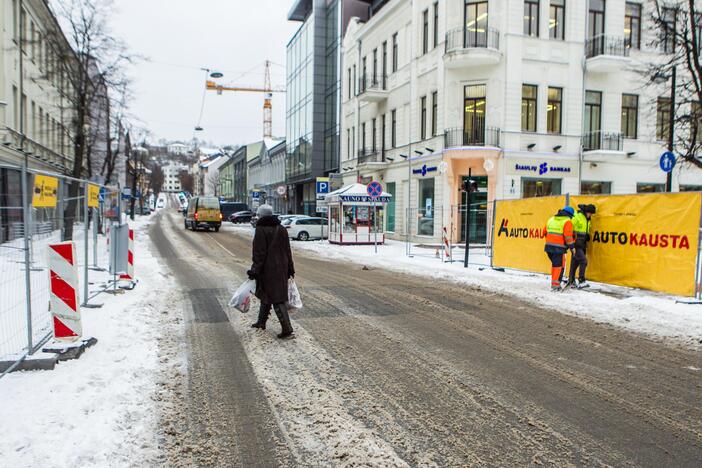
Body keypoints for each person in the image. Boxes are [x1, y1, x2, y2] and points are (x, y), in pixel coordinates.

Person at [247, 204, 295, 339]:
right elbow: (287, 251)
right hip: (281, 268)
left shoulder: (261, 229)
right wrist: (290, 268)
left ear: (261, 215)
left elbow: (259, 253)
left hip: (268, 270)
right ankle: (261, 322)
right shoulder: (282, 229)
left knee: (277, 299)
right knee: (266, 294)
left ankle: (287, 329)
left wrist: (254, 270)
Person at [544, 206, 575, 292]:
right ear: (570, 215)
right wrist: (572, 247)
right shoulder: (567, 222)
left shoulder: (551, 219)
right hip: (559, 248)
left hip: (548, 247)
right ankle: (555, 285)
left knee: (555, 265)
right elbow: (568, 237)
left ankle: (555, 283)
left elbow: (544, 232)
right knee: (559, 266)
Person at [567, 204, 596, 289]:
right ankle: (581, 280)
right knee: (583, 261)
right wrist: (573, 237)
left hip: (582, 243)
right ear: (586, 211)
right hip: (576, 243)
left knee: (575, 262)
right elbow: (569, 226)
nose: (590, 215)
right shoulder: (578, 216)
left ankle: (571, 280)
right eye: (589, 213)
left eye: (591, 214)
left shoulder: (587, 219)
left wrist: (586, 235)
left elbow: (584, 229)